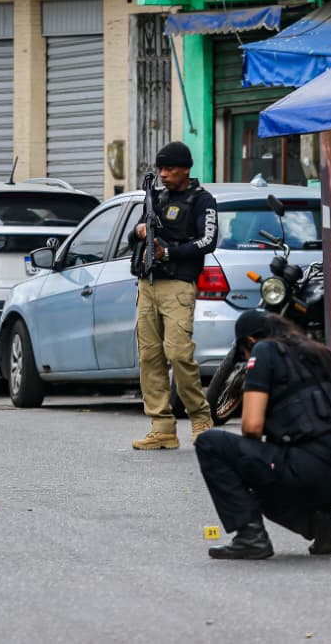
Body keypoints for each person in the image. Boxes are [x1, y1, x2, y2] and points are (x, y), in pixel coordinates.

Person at [195, 310, 331, 560]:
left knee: (209, 443)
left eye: (244, 354)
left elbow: (252, 427)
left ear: (250, 342)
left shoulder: (264, 350)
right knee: (267, 482)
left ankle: (250, 537)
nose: (246, 359)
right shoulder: (321, 353)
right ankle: (325, 526)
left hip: (312, 470)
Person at [130, 141, 219, 450]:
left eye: (169, 169)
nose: (163, 174)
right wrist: (140, 231)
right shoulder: (154, 197)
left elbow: (208, 241)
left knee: (179, 354)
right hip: (148, 284)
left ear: (185, 169)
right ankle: (162, 427)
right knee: (149, 357)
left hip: (178, 285)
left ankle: (200, 418)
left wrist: (169, 251)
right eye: (161, 169)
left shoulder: (202, 200)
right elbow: (133, 234)